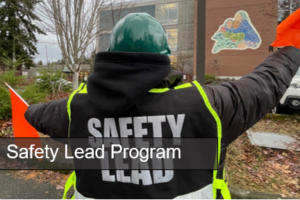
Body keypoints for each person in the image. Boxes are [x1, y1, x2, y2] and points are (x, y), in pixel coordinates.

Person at [25, 13, 300, 199]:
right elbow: (265, 85)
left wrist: (26, 109)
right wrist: (292, 44)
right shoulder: (206, 106)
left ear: (111, 54)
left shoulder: (75, 109)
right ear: (164, 57)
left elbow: (36, 114)